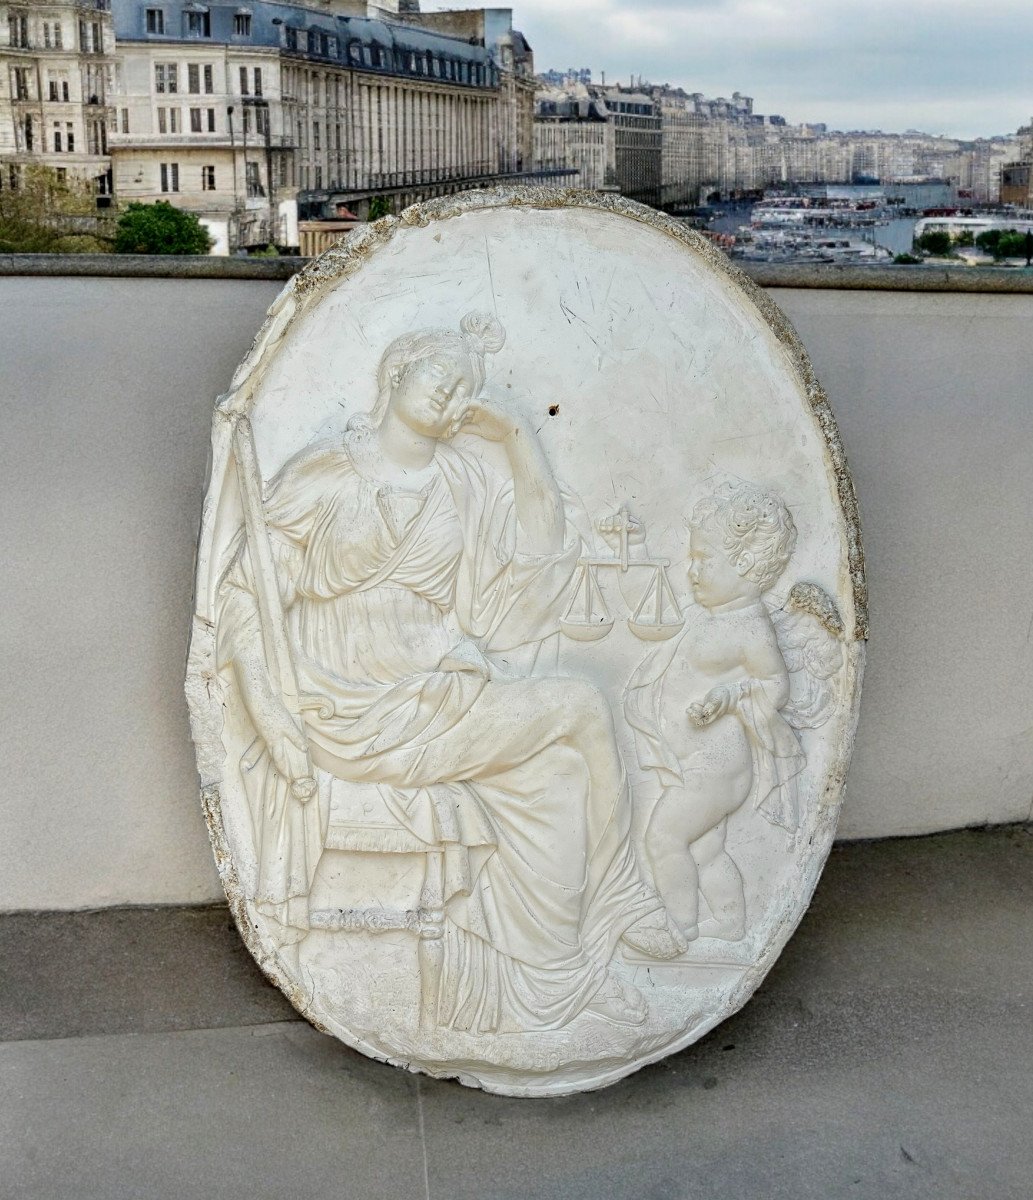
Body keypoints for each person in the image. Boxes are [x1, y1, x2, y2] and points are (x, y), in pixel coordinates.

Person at [217, 311, 681, 1034]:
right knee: (582, 705)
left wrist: (517, 438)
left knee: (558, 781)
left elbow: (536, 554)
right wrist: (271, 715)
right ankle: (622, 895)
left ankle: (550, 980)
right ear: (395, 375)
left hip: (437, 692)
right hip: (353, 706)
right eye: (439, 375)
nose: (451, 393)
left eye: (465, 386)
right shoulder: (326, 472)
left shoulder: (462, 478)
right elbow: (247, 601)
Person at [625, 482, 805, 943]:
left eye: (705, 560)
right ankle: (729, 925)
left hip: (716, 767)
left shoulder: (750, 627)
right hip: (692, 763)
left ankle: (679, 926)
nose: (693, 570)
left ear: (743, 564)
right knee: (706, 849)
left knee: (664, 838)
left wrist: (731, 695)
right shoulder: (711, 613)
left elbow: (776, 685)